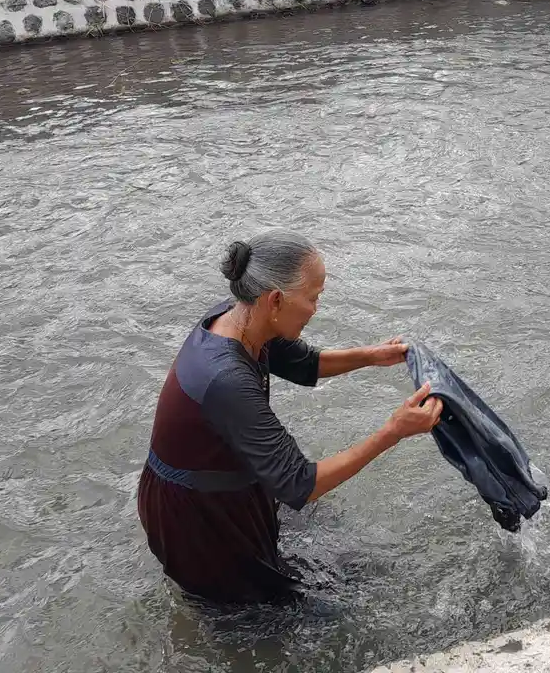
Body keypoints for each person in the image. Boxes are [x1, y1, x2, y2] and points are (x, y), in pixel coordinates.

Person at [136, 229, 443, 604]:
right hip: (196, 517)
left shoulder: (241, 317)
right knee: (267, 614)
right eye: (313, 298)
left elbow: (304, 364)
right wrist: (393, 431)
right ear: (276, 300)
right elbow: (300, 483)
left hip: (219, 483)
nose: (316, 309)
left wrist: (370, 356)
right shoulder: (227, 379)